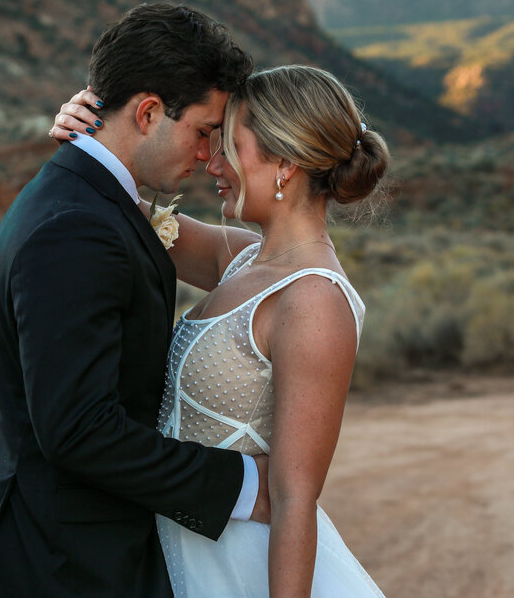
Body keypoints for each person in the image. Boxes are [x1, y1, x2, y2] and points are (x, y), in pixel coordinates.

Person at [0, 3, 267, 598]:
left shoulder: (84, 202)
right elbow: (78, 430)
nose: (207, 156)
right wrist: (247, 485)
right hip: (55, 570)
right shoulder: (77, 227)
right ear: (148, 112)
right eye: (203, 131)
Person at [52, 63, 390, 597]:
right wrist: (88, 134)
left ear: (284, 162)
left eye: (229, 145)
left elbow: (294, 498)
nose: (211, 161)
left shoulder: (314, 300)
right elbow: (116, 208)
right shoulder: (242, 258)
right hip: (174, 548)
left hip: (238, 571)